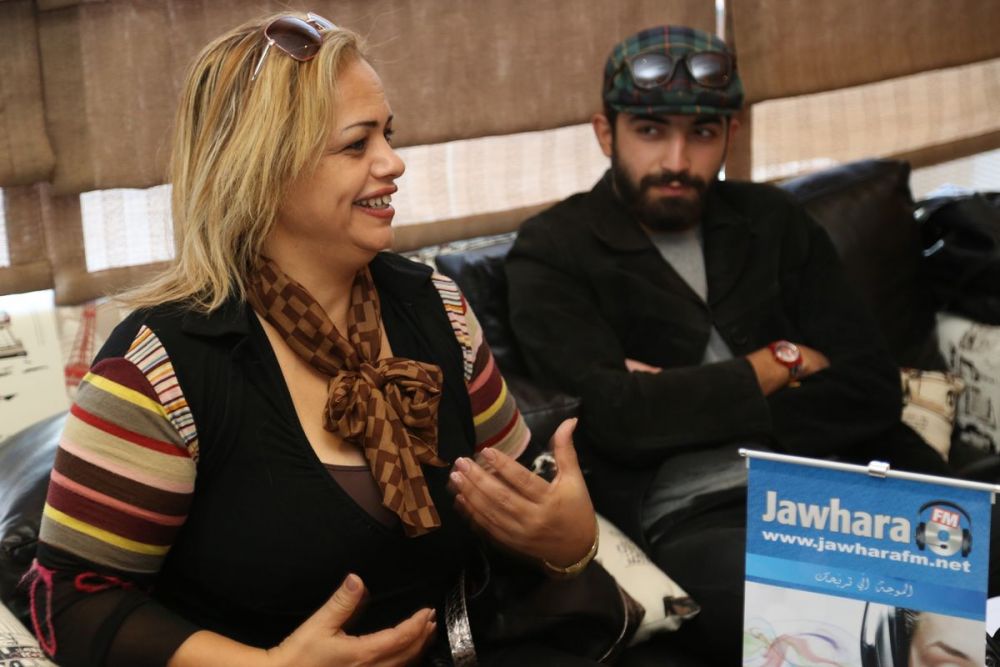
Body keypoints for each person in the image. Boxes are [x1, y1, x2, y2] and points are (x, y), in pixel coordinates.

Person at [24, 13, 598, 667]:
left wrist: (569, 541)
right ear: (264, 169)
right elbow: (66, 602)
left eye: (388, 134)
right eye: (357, 145)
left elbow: (527, 502)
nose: (394, 162)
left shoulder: (439, 309)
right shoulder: (158, 369)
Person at [505, 25, 950, 663]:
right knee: (836, 629)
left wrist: (676, 399)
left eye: (702, 133)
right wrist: (779, 364)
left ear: (730, 135)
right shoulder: (553, 250)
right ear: (607, 133)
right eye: (650, 131)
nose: (678, 160)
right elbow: (617, 420)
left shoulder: (775, 221)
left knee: (961, 593)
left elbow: (872, 387)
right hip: (703, 512)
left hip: (856, 484)